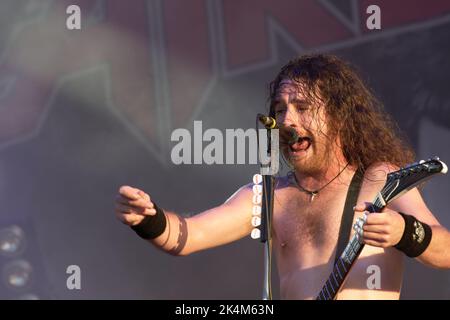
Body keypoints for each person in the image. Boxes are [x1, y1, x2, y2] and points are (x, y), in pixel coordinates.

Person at [115, 54, 450, 299]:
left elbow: (446, 252)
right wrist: (150, 219)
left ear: (338, 117)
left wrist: (406, 231)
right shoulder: (272, 194)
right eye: (280, 110)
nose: (288, 121)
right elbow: (190, 236)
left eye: (303, 108)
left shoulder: (379, 179)